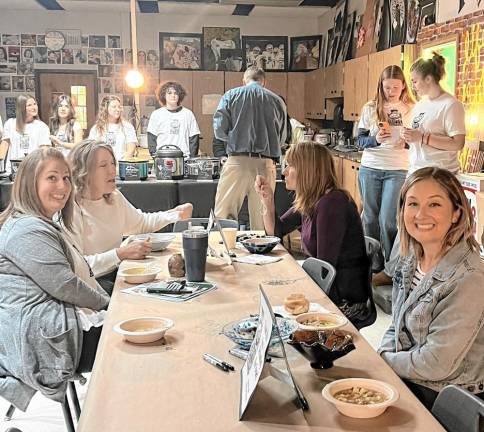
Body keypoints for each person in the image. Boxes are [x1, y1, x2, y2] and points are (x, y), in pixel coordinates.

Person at [0, 147, 109, 412]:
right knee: (130, 338)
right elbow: (65, 285)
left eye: (66, 178)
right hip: (45, 341)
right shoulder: (26, 229)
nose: (63, 186)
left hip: (52, 326)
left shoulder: (37, 222)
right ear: (29, 182)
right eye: (52, 178)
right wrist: (112, 305)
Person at [378, 167, 484, 409]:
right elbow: (396, 324)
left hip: (447, 397)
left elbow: (436, 363)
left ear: (457, 213)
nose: (420, 215)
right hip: (409, 377)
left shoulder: (469, 277)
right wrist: (383, 355)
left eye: (434, 205)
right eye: (413, 204)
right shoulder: (410, 257)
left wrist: (383, 361)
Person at [373, 52, 466, 286]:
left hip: (438, 176)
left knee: (421, 224)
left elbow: (457, 142)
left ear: (428, 79)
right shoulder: (422, 105)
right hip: (415, 172)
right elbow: (416, 135)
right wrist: (405, 136)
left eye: (414, 80)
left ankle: (398, 271)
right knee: (405, 221)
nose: (412, 86)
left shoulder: (450, 105)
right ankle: (397, 270)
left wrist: (422, 137)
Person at [255, 141, 371, 323]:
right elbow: (276, 233)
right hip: (329, 289)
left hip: (344, 302)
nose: (284, 172)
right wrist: (268, 202)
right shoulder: (312, 199)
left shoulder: (332, 204)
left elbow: (325, 269)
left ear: (307, 169)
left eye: (290, 166)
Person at [68, 140, 193, 293]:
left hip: (117, 274)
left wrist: (175, 214)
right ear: (84, 172)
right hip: (91, 286)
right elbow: (77, 266)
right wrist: (120, 253)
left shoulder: (114, 198)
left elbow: (141, 223)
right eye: (103, 165)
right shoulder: (71, 209)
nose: (112, 170)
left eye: (113, 163)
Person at [213, 66, 286, 230]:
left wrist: (234, 138)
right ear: (264, 82)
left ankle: (224, 251)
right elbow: (282, 137)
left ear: (244, 80)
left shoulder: (230, 95)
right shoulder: (277, 100)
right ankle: (261, 254)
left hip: (237, 160)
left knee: (224, 216)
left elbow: (219, 130)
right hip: (265, 163)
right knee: (263, 219)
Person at [357, 65, 414, 262]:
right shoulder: (370, 108)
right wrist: (375, 139)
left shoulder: (411, 110)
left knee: (388, 220)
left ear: (404, 87)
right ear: (380, 86)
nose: (390, 92)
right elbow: (359, 141)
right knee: (370, 218)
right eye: (386, 88)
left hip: (397, 168)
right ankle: (372, 263)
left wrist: (407, 141)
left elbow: (417, 143)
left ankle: (390, 264)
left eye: (395, 88)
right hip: (370, 167)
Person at [147, 81, 200, 158]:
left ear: (179, 95)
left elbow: (194, 138)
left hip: (184, 158)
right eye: (169, 93)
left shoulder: (188, 114)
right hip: (162, 158)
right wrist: (155, 157)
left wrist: (191, 158)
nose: (173, 95)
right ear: (164, 95)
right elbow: (152, 138)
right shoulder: (156, 114)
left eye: (176, 93)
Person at [0, 94, 51, 173]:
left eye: (35, 104)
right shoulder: (10, 123)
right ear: (21, 108)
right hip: (13, 170)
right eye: (29, 105)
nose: (34, 107)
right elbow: (4, 145)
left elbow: (44, 151)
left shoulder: (42, 126)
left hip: (33, 170)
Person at [88, 95, 137, 161]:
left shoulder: (127, 127)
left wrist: (120, 165)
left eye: (119, 107)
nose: (118, 109)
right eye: (114, 107)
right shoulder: (96, 128)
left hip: (121, 166)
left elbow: (131, 149)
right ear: (105, 108)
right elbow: (91, 150)